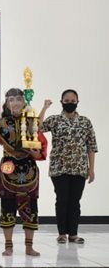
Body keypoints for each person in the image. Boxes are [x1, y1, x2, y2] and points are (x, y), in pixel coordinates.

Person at [0, 88, 47, 256]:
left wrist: (37, 153)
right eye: (11, 100)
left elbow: (42, 144)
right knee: (7, 206)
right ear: (7, 103)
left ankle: (29, 246)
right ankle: (8, 246)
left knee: (31, 207)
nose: (15, 103)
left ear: (24, 102)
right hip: (8, 167)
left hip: (29, 168)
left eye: (18, 99)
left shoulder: (32, 121)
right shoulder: (2, 122)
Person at [39, 90, 97, 244]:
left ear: (78, 101)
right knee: (62, 199)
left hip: (80, 168)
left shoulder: (85, 122)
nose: (70, 103)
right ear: (61, 102)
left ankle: (73, 234)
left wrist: (91, 169)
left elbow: (91, 146)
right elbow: (37, 127)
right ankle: (62, 234)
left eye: (73, 100)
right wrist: (44, 108)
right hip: (59, 167)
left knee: (75, 201)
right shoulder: (55, 120)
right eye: (66, 100)